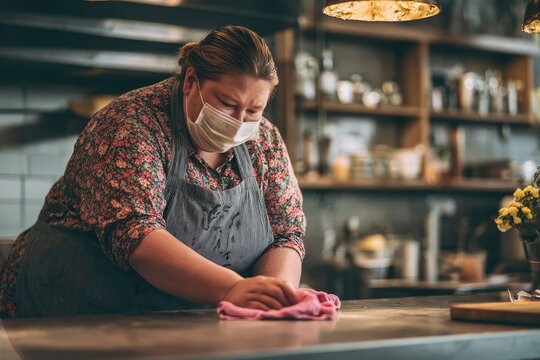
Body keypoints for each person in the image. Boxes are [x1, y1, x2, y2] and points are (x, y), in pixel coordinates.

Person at [0, 25, 306, 318]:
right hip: (73, 308)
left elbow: (286, 233)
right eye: (226, 103)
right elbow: (136, 233)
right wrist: (234, 288)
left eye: (254, 110)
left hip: (176, 320)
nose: (239, 121)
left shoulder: (263, 140)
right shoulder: (131, 124)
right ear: (190, 82)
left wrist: (276, 294)